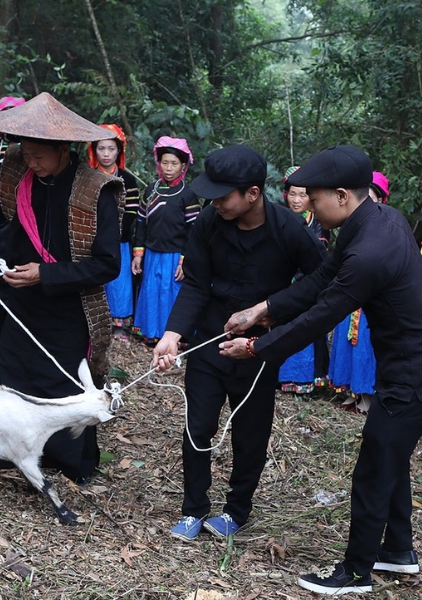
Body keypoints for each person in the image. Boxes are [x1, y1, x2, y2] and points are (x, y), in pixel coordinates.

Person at [220, 147, 422, 595]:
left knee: (374, 465)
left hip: (412, 371)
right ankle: (399, 550)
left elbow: (322, 315)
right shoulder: (376, 220)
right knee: (390, 455)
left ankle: (355, 572)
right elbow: (319, 281)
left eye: (314, 197)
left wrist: (256, 348)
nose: (309, 205)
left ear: (343, 195)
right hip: (402, 363)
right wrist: (261, 309)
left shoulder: (371, 249)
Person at [0, 92, 123, 482]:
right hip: (20, 303)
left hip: (68, 309)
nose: (32, 162)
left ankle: (68, 460)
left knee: (65, 387)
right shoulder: (17, 169)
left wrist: (47, 274)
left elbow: (107, 265)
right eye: (27, 152)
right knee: (13, 376)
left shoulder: (97, 191)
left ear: (63, 150)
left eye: (40, 155)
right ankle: (10, 451)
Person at [151, 145, 325, 542]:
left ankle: (236, 510)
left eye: (223, 194)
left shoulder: (289, 229)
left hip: (260, 348)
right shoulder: (209, 223)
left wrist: (272, 312)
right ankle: (194, 508)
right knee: (198, 424)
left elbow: (320, 282)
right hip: (210, 338)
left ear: (252, 193)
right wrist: (173, 335)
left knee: (251, 432)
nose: (214, 202)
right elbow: (195, 282)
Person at [327, 171, 390, 414]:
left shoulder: (386, 226)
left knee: (366, 347)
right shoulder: (349, 227)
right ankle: (352, 391)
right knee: (347, 345)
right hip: (351, 295)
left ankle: (368, 394)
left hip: (372, 300)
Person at [132, 137, 201, 344]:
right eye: (165, 162)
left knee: (171, 294)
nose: (169, 168)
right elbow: (141, 222)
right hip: (152, 253)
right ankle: (151, 333)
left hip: (175, 256)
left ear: (183, 167)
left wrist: (184, 260)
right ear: (158, 163)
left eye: (174, 163)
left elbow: (193, 230)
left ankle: (174, 336)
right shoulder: (151, 190)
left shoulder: (188, 195)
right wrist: (138, 254)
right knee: (151, 291)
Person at [278, 166, 331, 394]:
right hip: (281, 284)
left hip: (307, 286)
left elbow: (317, 259)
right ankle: (281, 376)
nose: (297, 200)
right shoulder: (278, 218)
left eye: (303, 194)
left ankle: (306, 379)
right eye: (292, 194)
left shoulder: (319, 223)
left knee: (305, 328)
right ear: (285, 195)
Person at [87, 124, 140, 339]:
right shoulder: (87, 176)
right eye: (101, 148)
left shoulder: (128, 180)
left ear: (119, 151)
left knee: (119, 282)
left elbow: (132, 212)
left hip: (119, 241)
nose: (106, 154)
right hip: (91, 239)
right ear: (93, 150)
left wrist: (114, 234)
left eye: (111, 148)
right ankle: (94, 321)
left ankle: (118, 324)